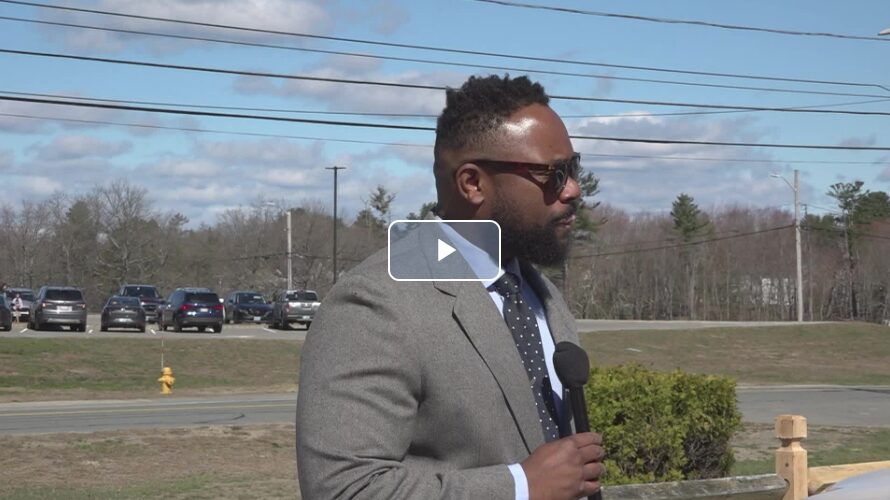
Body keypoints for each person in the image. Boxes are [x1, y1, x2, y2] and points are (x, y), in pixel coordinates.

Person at [297, 74, 604, 500]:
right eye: (552, 174)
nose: (573, 189)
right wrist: (520, 487)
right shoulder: (375, 304)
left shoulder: (542, 296)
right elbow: (343, 489)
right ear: (472, 183)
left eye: (573, 168)